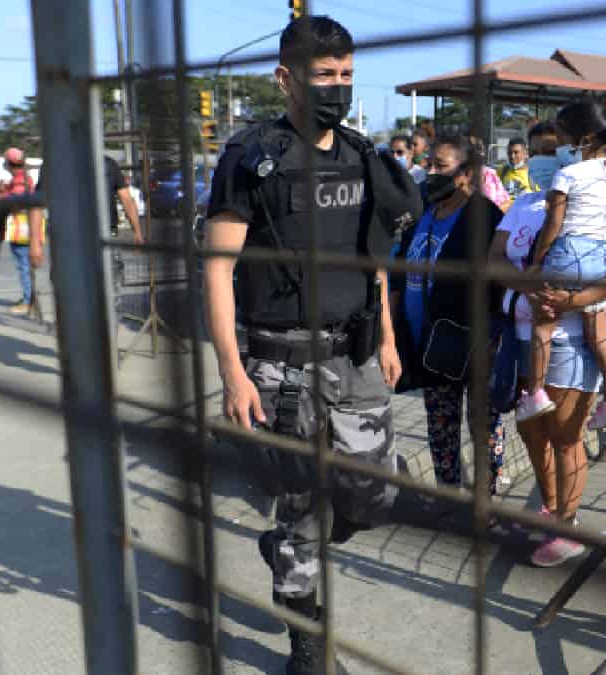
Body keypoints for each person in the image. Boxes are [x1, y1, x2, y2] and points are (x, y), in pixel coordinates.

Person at [203, 16, 419, 674]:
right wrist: (233, 374)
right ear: (285, 78)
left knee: (370, 496)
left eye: (346, 75)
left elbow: (373, 258)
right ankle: (306, 642)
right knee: (301, 502)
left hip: (355, 356)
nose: (337, 87)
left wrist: (385, 334)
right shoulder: (252, 156)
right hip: (280, 360)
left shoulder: (360, 156)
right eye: (324, 75)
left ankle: (300, 536)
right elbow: (216, 267)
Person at [490, 119, 606, 565]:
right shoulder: (522, 204)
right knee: (531, 428)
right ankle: (548, 507)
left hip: (575, 343)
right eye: (536, 148)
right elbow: (496, 258)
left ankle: (568, 524)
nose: (543, 156)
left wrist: (575, 299)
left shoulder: (605, 205)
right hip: (521, 338)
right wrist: (530, 285)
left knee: (566, 434)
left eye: (552, 147)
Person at [391, 136, 506, 496]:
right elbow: (397, 273)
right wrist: (392, 334)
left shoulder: (484, 217)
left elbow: (499, 283)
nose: (430, 172)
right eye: (428, 164)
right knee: (440, 426)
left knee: (482, 422)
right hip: (427, 345)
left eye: (440, 166)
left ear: (465, 174)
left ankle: (486, 499)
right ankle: (449, 497)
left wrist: (493, 338)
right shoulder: (420, 213)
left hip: (473, 342)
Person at [519, 101, 606, 430]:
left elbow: (554, 223)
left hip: (566, 254)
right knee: (598, 331)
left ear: (583, 139)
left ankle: (536, 393)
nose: (561, 147)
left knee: (544, 322)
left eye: (563, 139)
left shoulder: (567, 174)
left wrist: (538, 260)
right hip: (600, 257)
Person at [0, 148, 37, 315]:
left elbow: (17, 204)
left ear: (9, 163)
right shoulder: (22, 179)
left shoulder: (20, 181)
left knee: (24, 266)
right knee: (25, 266)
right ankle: (29, 298)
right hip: (24, 227)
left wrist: (1, 193)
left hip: (22, 229)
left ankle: (29, 302)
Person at [104, 155, 145, 243]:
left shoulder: (109, 164)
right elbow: (127, 200)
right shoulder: (108, 163)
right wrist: (138, 232)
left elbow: (127, 200)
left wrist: (138, 232)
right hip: (106, 230)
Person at [469, 136, 511, 211]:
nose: (481, 153)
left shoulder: (491, 173)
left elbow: (507, 202)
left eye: (481, 149)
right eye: (476, 149)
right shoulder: (461, 177)